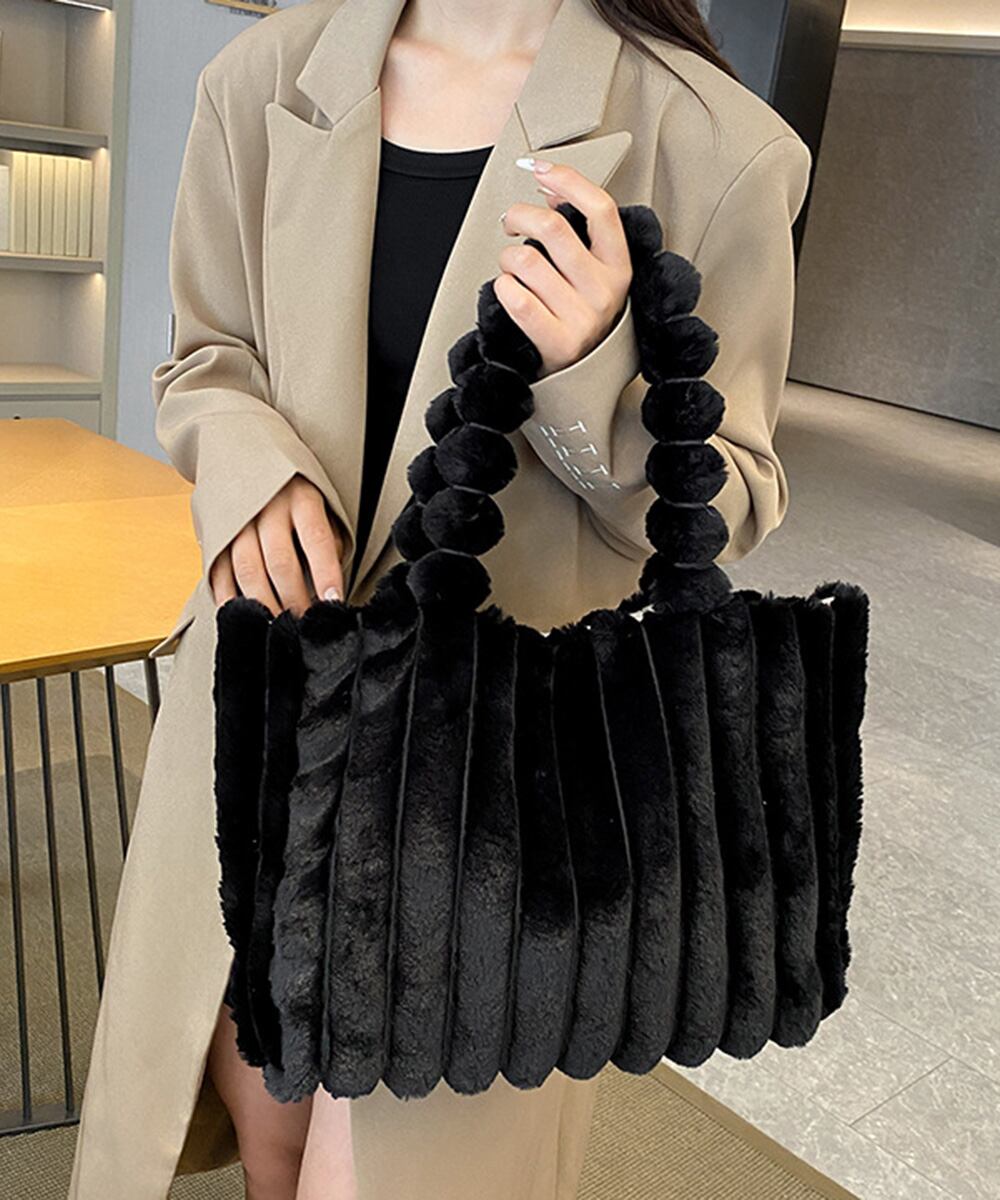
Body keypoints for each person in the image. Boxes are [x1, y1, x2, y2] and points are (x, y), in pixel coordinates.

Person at [68, 1, 812, 1197]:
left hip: (490, 787)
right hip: (270, 717)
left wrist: (593, 373)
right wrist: (251, 473)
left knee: (392, 1169)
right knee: (266, 1132)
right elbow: (207, 356)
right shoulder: (265, 76)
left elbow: (733, 495)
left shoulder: (715, 142)